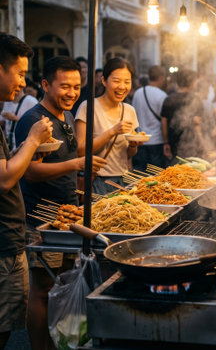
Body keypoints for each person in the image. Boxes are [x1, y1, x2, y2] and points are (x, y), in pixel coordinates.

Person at [15, 56, 107, 350]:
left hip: (66, 216)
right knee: (42, 289)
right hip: (41, 219)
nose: (72, 93)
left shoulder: (65, 116)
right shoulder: (34, 120)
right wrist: (76, 164)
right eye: (64, 86)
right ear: (45, 84)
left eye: (77, 86)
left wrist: (81, 178)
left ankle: (58, 343)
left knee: (61, 284)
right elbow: (29, 172)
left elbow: (64, 159)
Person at [0, 34, 53, 350]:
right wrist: (32, 140)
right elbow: (4, 180)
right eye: (19, 73)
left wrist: (22, 150)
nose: (24, 81)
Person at [76, 57, 139, 195]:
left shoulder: (129, 110)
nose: (122, 87)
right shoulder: (88, 107)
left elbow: (129, 154)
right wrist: (112, 131)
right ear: (104, 80)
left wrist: (134, 145)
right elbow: (80, 150)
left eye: (127, 82)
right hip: (97, 181)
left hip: (124, 180)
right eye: (116, 81)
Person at [161, 69, 205, 160]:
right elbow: (197, 123)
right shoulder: (196, 99)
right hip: (191, 144)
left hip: (173, 142)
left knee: (175, 170)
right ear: (192, 82)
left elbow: (163, 123)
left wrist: (166, 142)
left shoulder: (169, 99)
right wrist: (202, 143)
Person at [132, 65, 167, 170]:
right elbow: (164, 121)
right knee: (156, 177)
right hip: (157, 141)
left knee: (140, 177)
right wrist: (166, 142)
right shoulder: (162, 95)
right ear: (161, 77)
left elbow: (133, 116)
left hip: (140, 141)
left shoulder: (138, 93)